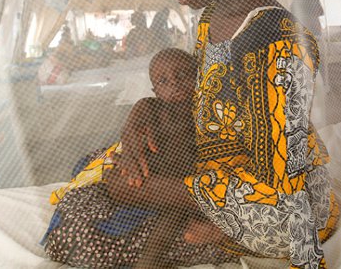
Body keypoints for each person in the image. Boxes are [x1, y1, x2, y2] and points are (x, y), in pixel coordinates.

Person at [119, 0, 339, 268]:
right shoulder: (209, 21)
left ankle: (219, 224)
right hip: (222, 168)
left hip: (281, 200)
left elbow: (285, 173)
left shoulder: (275, 39)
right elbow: (200, 100)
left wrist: (196, 190)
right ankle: (204, 212)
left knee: (122, 182)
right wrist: (144, 113)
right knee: (120, 166)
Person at [44, 48, 237, 268]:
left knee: (171, 219)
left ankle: (149, 261)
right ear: (155, 90)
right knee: (112, 177)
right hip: (149, 173)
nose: (174, 83)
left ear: (200, 76)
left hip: (181, 183)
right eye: (163, 81)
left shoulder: (206, 109)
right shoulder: (152, 106)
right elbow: (137, 120)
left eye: (182, 75)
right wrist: (138, 114)